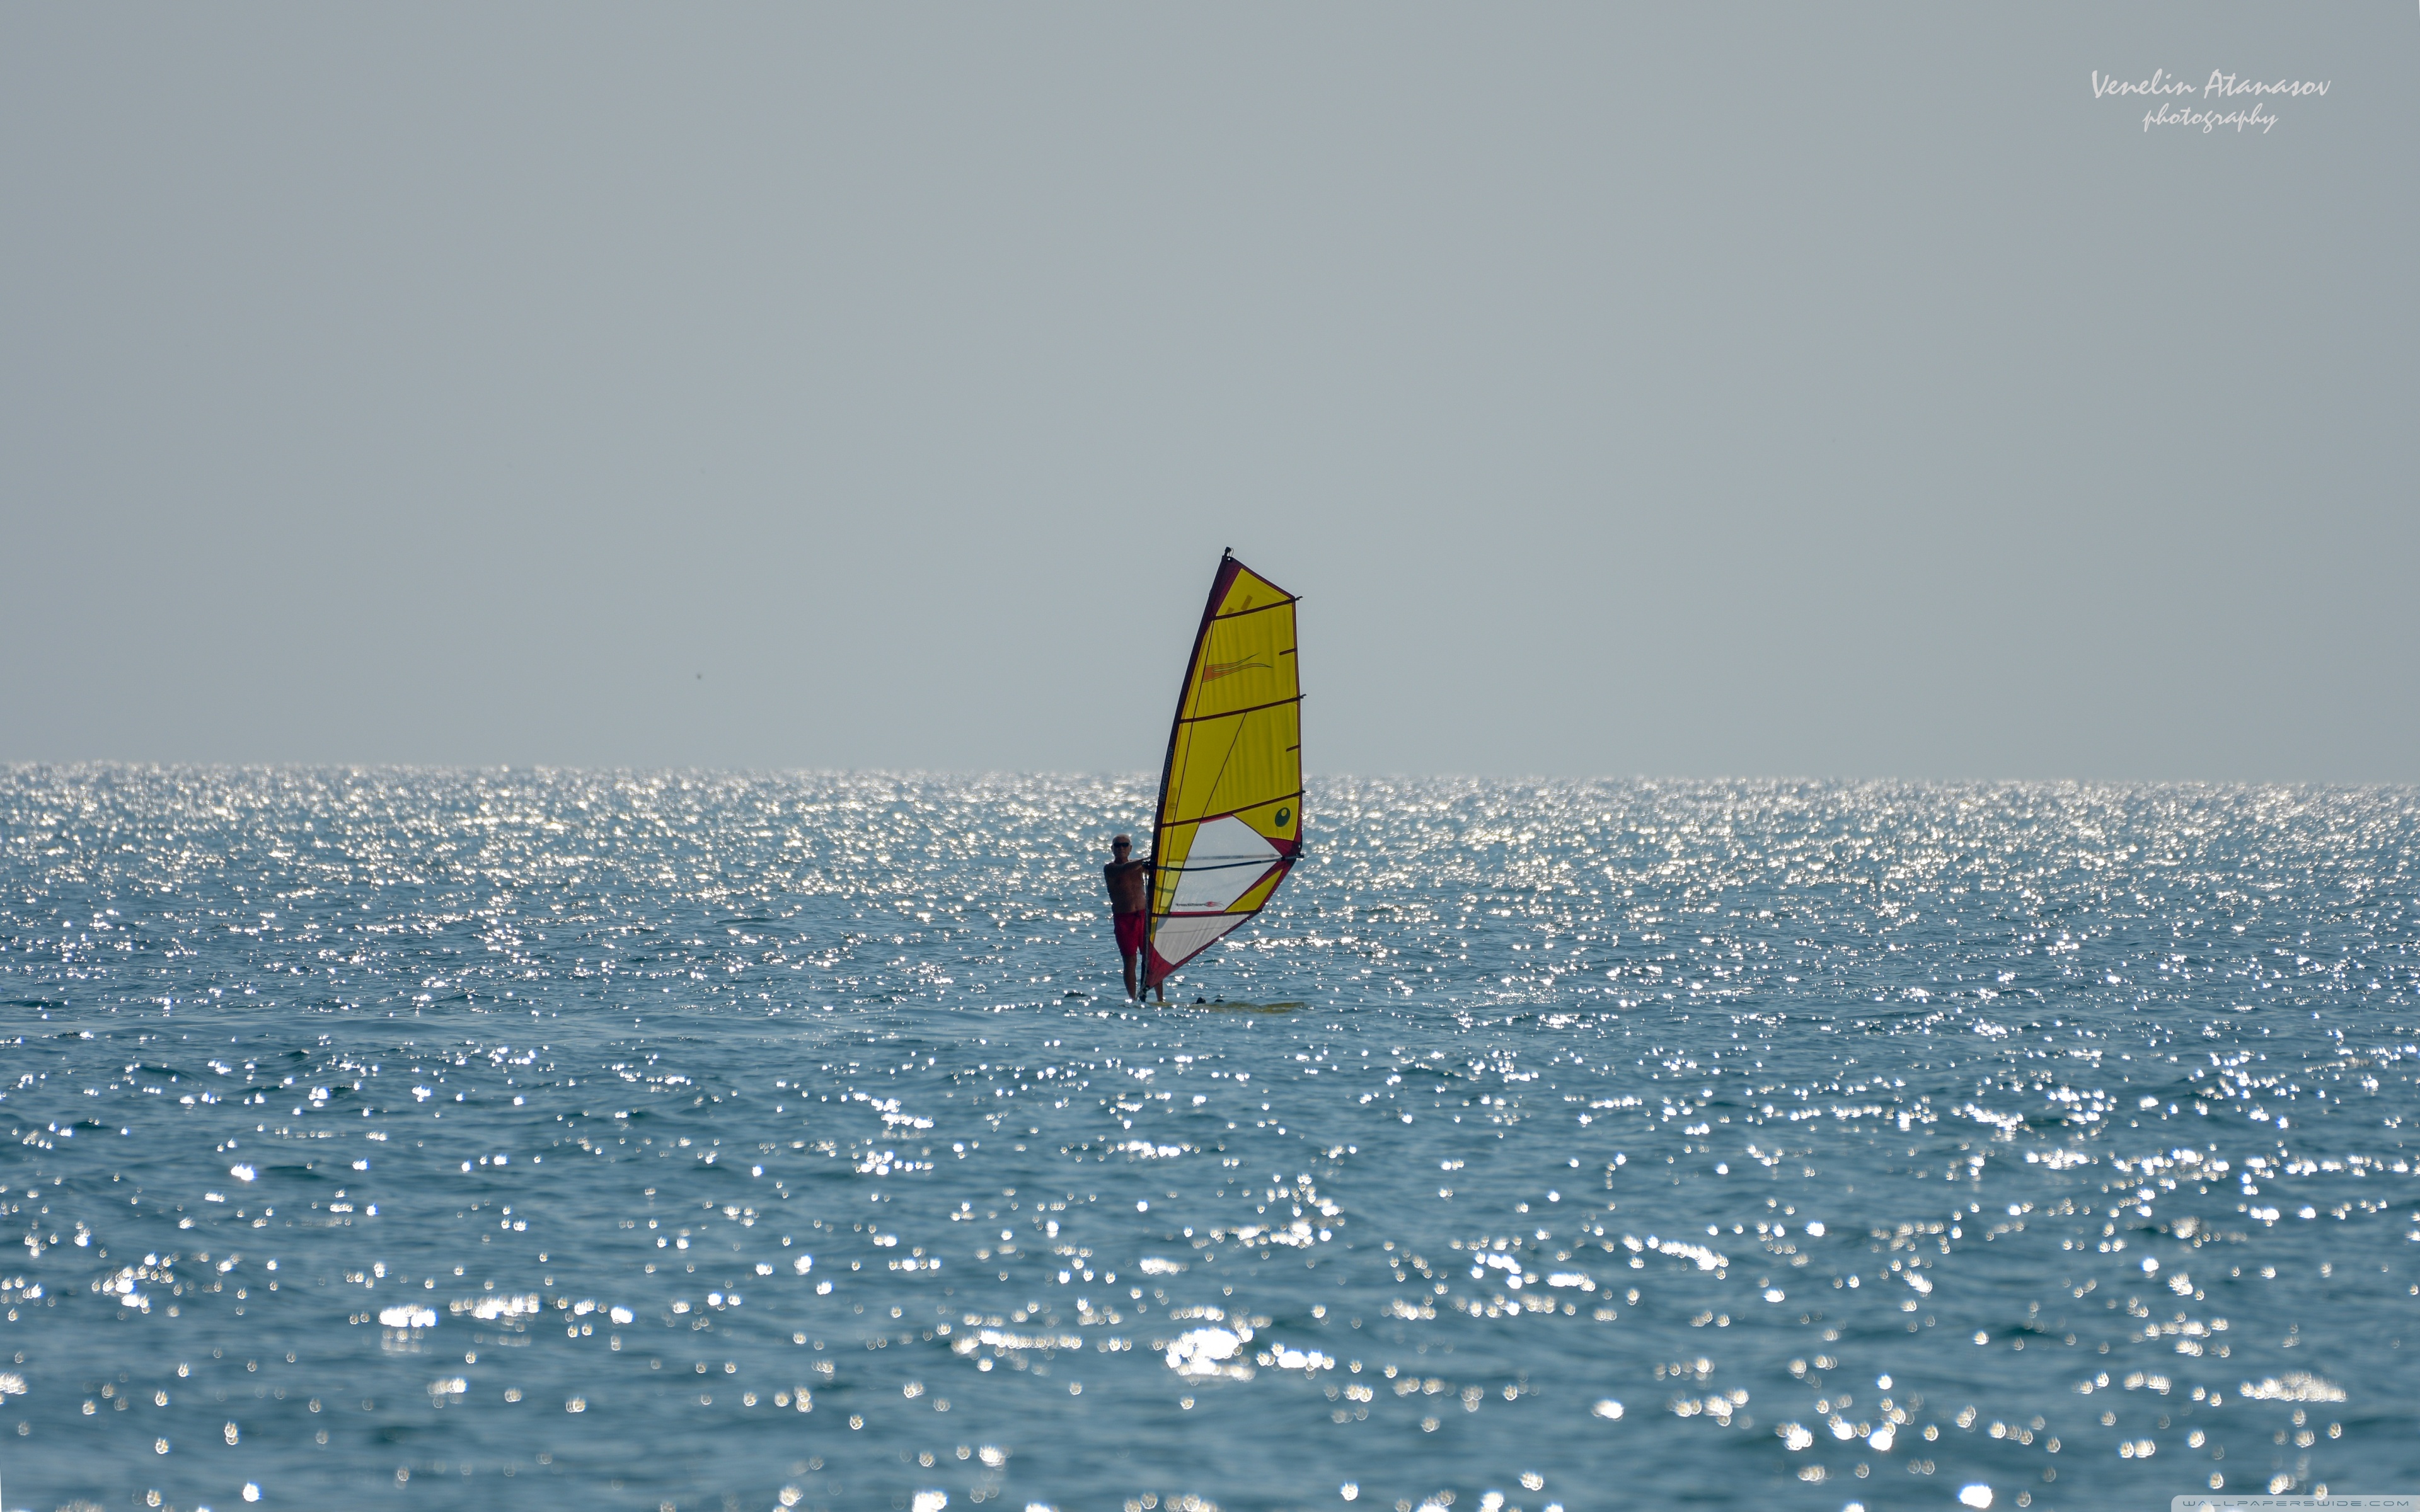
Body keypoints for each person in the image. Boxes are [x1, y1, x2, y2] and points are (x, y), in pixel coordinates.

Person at [1103, 833, 1161, 1002]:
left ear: (1130, 848)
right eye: (1117, 846)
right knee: (1130, 960)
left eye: (1125, 845)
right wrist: (1146, 860)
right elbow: (1125, 869)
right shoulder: (1111, 868)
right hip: (1124, 920)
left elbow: (1156, 873)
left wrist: (1156, 863)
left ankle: (1160, 999)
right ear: (1112, 849)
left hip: (1143, 916)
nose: (1121, 848)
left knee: (1151, 958)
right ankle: (1133, 999)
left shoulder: (1140, 867)